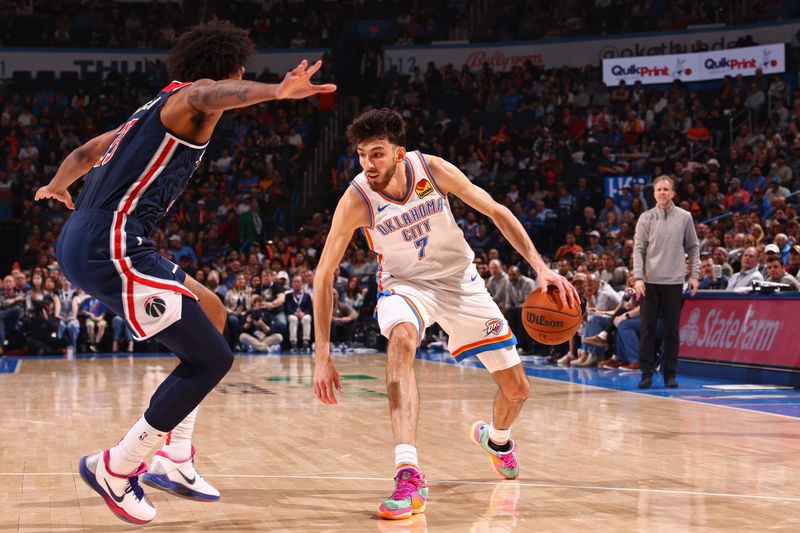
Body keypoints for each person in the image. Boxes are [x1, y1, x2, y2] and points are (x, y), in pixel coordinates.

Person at [34, 20, 335, 524]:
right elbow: (211, 93)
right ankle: (118, 465)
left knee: (213, 311)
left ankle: (175, 458)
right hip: (112, 243)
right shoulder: (189, 99)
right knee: (211, 360)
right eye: (240, 72)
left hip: (91, 237)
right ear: (231, 68)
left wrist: (56, 185)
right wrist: (276, 91)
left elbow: (87, 153)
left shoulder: (145, 112)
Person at [311, 108, 577, 520]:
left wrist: (540, 267)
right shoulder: (356, 198)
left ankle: (498, 440)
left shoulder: (430, 169)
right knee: (401, 338)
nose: (368, 164)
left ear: (400, 153)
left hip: (461, 283)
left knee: (518, 389)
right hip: (405, 285)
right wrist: (322, 353)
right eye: (362, 155)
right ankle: (408, 473)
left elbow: (496, 211)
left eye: (377, 154)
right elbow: (324, 275)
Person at [633, 175, 700, 389]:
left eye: (665, 189)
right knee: (647, 330)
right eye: (658, 190)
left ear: (673, 193)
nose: (662, 193)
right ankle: (647, 373)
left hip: (673, 281)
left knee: (672, 331)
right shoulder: (645, 218)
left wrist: (695, 275)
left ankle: (670, 374)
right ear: (654, 194)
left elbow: (693, 247)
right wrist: (638, 277)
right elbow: (638, 249)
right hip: (649, 281)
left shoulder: (684, 217)